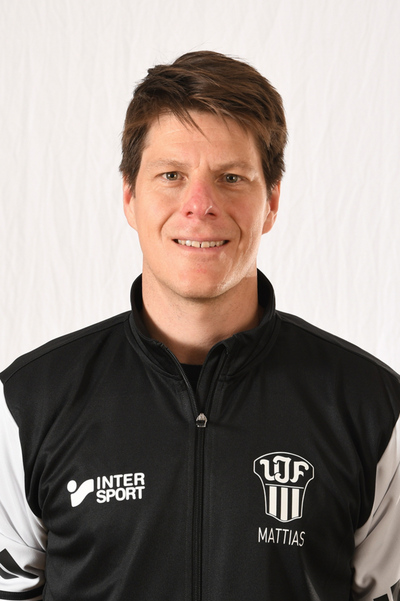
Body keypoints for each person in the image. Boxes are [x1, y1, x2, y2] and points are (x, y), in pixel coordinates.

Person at [0, 50, 399, 601]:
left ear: (271, 201)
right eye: (171, 175)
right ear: (129, 196)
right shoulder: (28, 403)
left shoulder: (372, 407)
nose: (200, 205)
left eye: (231, 177)